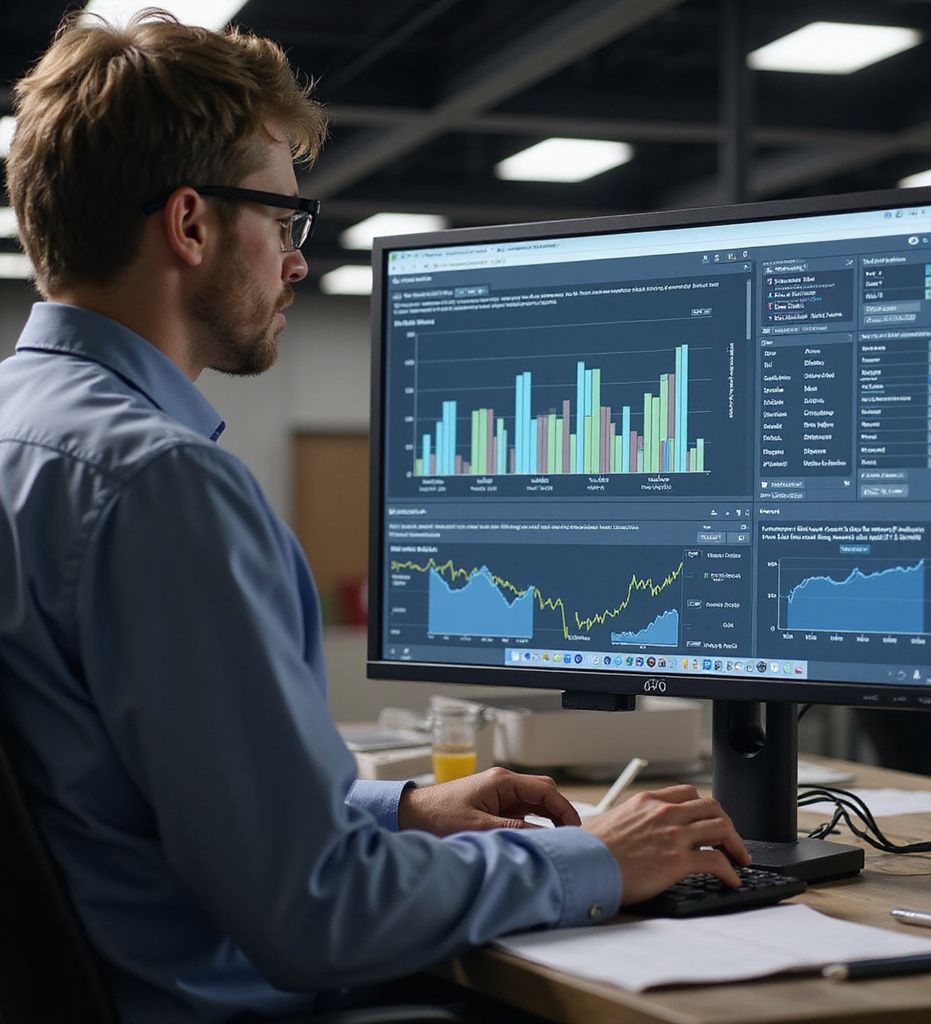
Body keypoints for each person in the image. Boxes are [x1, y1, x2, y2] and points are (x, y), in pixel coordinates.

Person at [0, 11, 749, 1024]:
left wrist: (396, 807)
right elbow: (317, 913)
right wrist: (593, 857)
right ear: (190, 223)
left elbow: (130, 798)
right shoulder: (160, 486)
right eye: (283, 219)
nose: (297, 261)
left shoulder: (26, 437)